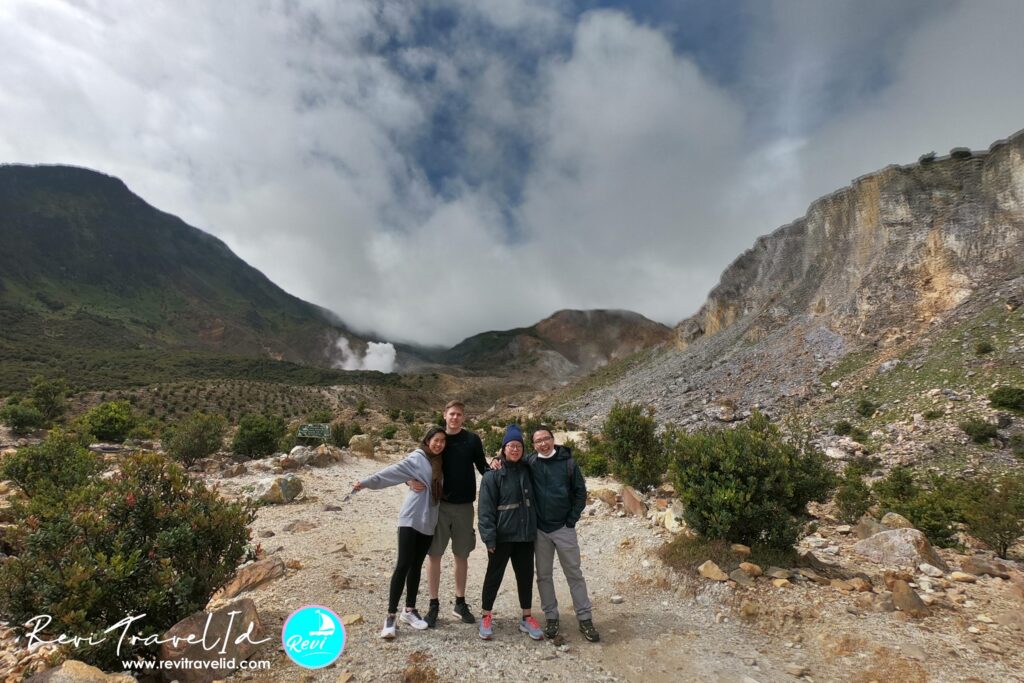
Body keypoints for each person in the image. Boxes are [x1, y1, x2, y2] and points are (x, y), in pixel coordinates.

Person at [353, 426, 446, 639]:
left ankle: (409, 611)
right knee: (403, 564)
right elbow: (391, 473)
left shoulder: (441, 462)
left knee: (416, 566)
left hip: (428, 521)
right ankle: (390, 616)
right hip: (411, 518)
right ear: (427, 440)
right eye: (436, 440)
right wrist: (365, 483)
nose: (439, 444)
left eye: (442, 441)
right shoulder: (417, 458)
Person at [408, 400, 488, 627]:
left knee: (461, 554)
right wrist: (408, 479)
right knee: (434, 555)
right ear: (445, 415)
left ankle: (459, 602)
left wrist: (498, 472)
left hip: (464, 506)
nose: (455, 418)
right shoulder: (437, 438)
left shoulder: (472, 439)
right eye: (452, 414)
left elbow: (482, 466)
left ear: (464, 417)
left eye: (459, 414)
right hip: (439, 505)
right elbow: (414, 461)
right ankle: (433, 604)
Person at [528, 426, 600, 642]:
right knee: (543, 576)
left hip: (564, 528)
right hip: (540, 530)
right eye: (538, 441)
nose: (543, 443)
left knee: (574, 574)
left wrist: (572, 519)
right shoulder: (530, 463)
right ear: (533, 445)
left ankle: (585, 618)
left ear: (553, 439)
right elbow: (509, 459)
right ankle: (551, 617)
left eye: (546, 438)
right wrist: (496, 459)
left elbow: (580, 492)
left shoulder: (568, 463)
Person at [476, 424, 544, 641]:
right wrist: (489, 537)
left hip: (525, 535)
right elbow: (485, 510)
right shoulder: (492, 476)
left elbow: (545, 454)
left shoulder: (528, 468)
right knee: (493, 576)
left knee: (525, 577)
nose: (515, 449)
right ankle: (486, 615)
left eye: (519, 446)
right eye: (511, 446)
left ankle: (526, 617)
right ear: (503, 449)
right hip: (502, 536)